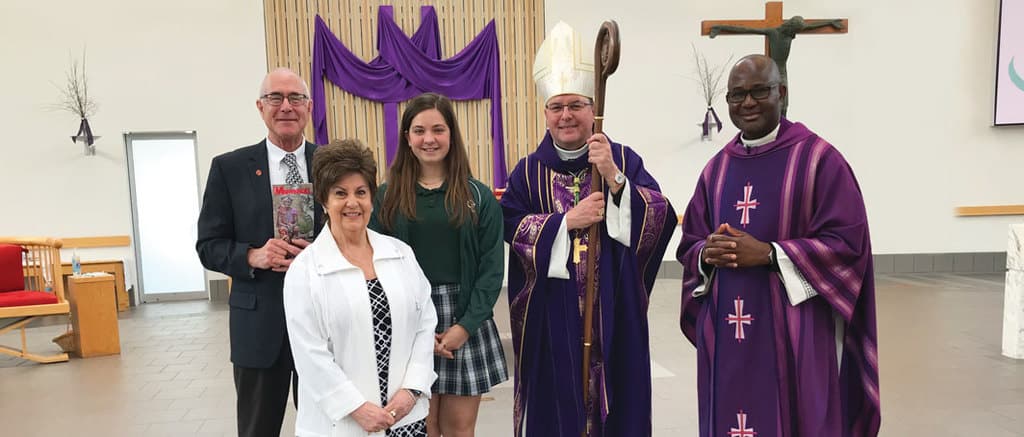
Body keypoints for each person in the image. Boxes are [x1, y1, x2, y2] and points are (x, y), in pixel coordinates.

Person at [676, 55, 880, 437]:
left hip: (795, 334)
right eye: (737, 95)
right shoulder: (717, 169)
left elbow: (848, 243)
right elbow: (690, 242)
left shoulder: (819, 160)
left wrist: (770, 254)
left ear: (781, 93)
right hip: (727, 332)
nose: (747, 103)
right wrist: (706, 253)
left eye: (758, 91)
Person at [499, 21, 677, 437]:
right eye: (557, 107)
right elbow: (512, 224)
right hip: (553, 320)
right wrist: (566, 223)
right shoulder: (527, 172)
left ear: (592, 108)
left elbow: (660, 217)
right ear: (545, 113)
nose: (566, 116)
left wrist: (615, 179)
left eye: (576, 105)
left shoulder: (622, 158)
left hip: (614, 314)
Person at [370, 93, 508, 437]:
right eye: (419, 130)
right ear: (407, 138)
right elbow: (375, 263)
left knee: (459, 429)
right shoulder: (386, 197)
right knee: (421, 426)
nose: (428, 139)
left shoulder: (478, 197)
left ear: (451, 135)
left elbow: (492, 268)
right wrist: (412, 328)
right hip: (409, 320)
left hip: (464, 318)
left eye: (438, 129)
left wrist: (465, 326)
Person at [196, 67, 322, 437]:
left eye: (295, 98)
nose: (286, 106)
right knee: (257, 429)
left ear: (309, 107)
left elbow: (359, 230)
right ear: (260, 106)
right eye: (275, 98)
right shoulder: (230, 168)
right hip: (258, 323)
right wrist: (252, 256)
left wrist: (321, 254)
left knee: (327, 427)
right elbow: (208, 246)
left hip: (324, 321)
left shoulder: (333, 164)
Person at [284, 139, 438, 436]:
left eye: (361, 192)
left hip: (404, 419)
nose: (352, 202)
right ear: (324, 201)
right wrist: (357, 408)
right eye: (340, 193)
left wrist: (412, 390)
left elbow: (424, 324)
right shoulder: (305, 270)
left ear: (372, 197)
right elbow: (309, 353)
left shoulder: (401, 253)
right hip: (341, 423)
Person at [709, 16, 844, 115]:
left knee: (784, 101)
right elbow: (746, 29)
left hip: (783, 69)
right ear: (790, 26)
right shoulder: (774, 32)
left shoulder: (790, 32)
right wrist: (720, 28)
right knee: (776, 99)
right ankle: (775, 125)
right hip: (773, 71)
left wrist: (830, 22)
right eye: (796, 30)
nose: (796, 33)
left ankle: (782, 128)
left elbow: (811, 26)